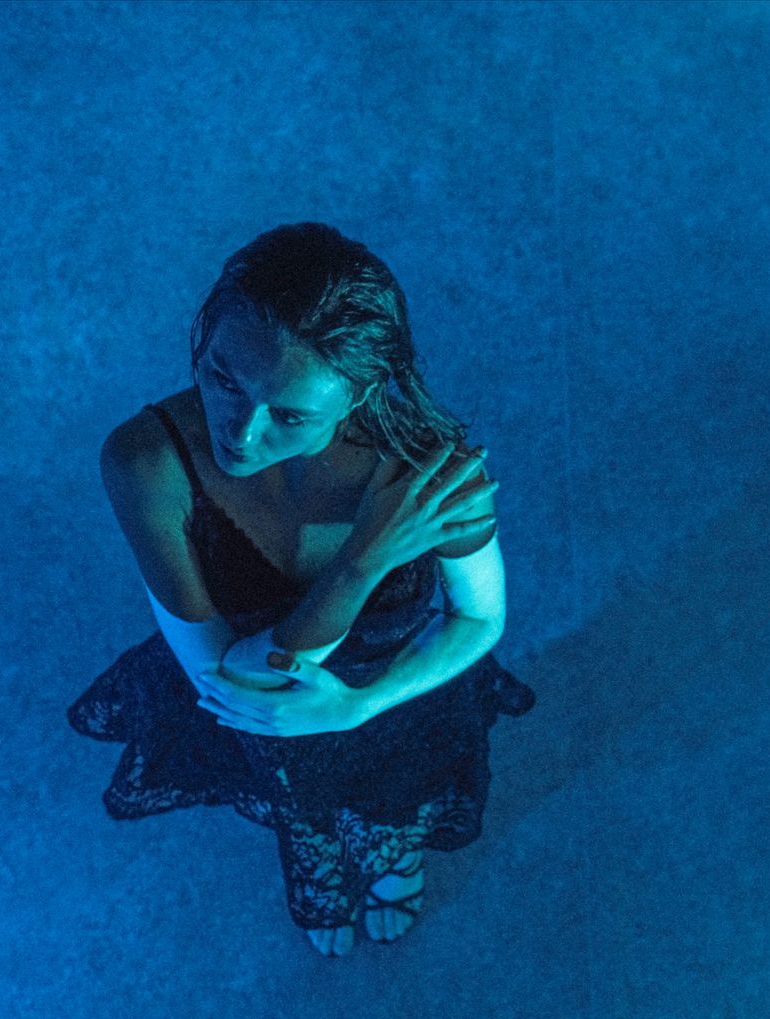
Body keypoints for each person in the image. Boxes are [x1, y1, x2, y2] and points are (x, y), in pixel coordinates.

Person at [67, 222, 536, 957]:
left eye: (289, 415)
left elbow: (480, 619)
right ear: (206, 331)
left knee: (395, 806)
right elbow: (232, 686)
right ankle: (335, 873)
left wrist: (360, 704)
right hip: (261, 723)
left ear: (359, 395)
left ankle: (392, 863)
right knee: (302, 803)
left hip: (397, 695)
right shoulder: (146, 461)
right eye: (222, 377)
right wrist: (363, 560)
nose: (242, 433)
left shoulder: (432, 481)